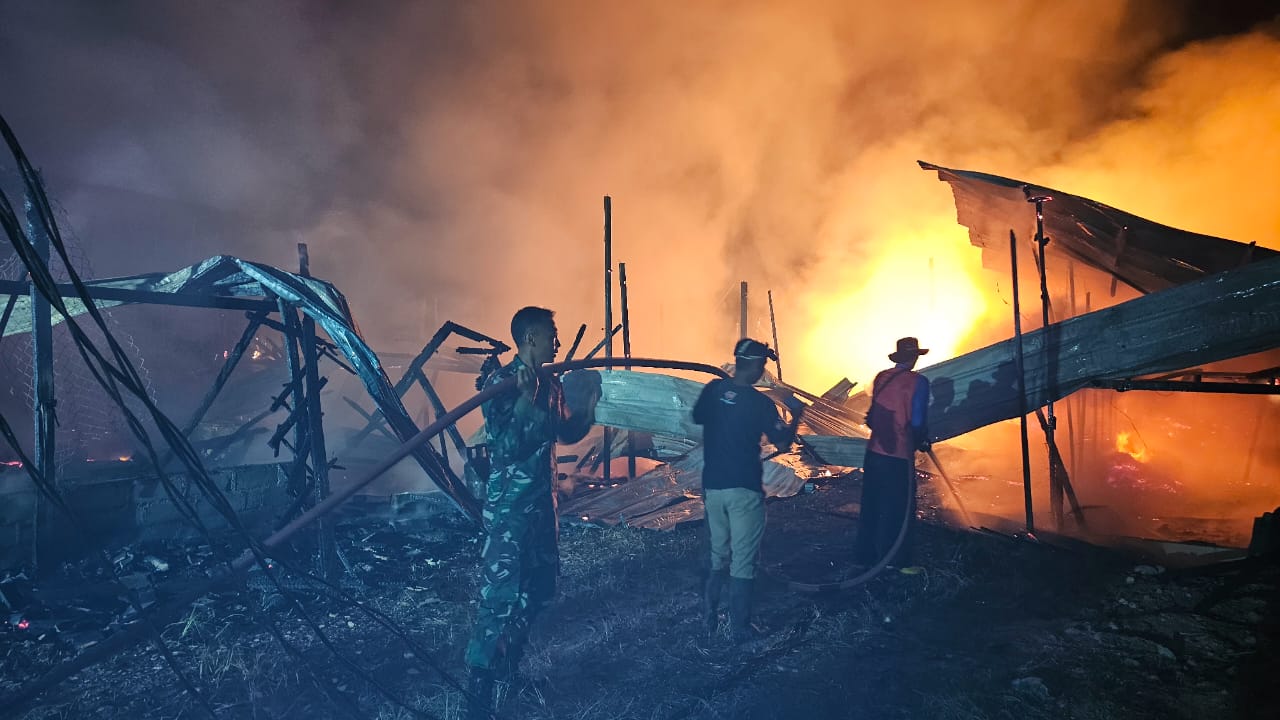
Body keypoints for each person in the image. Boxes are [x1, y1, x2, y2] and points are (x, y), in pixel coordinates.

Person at [465, 306, 598, 718]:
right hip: (510, 510)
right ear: (530, 339)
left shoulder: (550, 380)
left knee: (540, 589)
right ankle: (477, 696)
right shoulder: (501, 383)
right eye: (551, 334)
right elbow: (505, 448)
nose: (557, 342)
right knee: (499, 600)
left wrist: (590, 402)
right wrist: (524, 401)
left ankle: (508, 666)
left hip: (542, 504)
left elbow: (563, 429)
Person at [692, 338, 804, 643]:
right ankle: (740, 627)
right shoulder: (761, 404)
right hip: (744, 489)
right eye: (763, 365)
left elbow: (698, 417)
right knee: (742, 560)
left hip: (713, 485)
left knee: (717, 556)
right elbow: (782, 443)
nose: (763, 370)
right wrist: (795, 415)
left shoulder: (713, 390)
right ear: (755, 366)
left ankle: (708, 619)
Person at [854, 336, 932, 568]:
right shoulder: (919, 382)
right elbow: (917, 421)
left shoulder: (882, 377)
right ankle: (896, 562)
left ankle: (863, 558)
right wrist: (922, 441)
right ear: (915, 357)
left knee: (872, 505)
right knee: (899, 508)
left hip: (874, 452)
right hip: (898, 456)